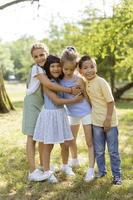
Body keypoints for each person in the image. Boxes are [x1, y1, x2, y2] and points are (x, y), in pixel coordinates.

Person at [22, 43, 81, 182]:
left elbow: (67, 73)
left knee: (42, 137)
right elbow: (49, 85)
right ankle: (32, 171)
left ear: (47, 54)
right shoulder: (37, 69)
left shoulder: (49, 70)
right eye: (35, 56)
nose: (39, 58)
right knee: (32, 137)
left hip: (44, 106)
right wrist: (71, 92)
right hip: (32, 105)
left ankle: (44, 165)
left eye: (42, 55)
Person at [78, 55, 122, 185]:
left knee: (113, 151)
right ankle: (102, 172)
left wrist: (108, 120)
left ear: (96, 68)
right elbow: (88, 98)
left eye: (92, 66)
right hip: (96, 123)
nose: (89, 70)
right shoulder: (86, 83)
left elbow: (110, 101)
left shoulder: (101, 82)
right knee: (99, 150)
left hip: (110, 123)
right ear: (81, 71)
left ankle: (117, 176)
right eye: (85, 68)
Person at [60, 46, 95, 182]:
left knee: (89, 141)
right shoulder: (60, 81)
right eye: (66, 69)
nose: (68, 72)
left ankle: (91, 169)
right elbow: (62, 100)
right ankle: (74, 160)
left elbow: (86, 96)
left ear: (76, 67)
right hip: (72, 114)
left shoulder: (79, 80)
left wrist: (94, 110)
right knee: (71, 140)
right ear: (62, 66)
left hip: (86, 112)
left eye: (71, 69)